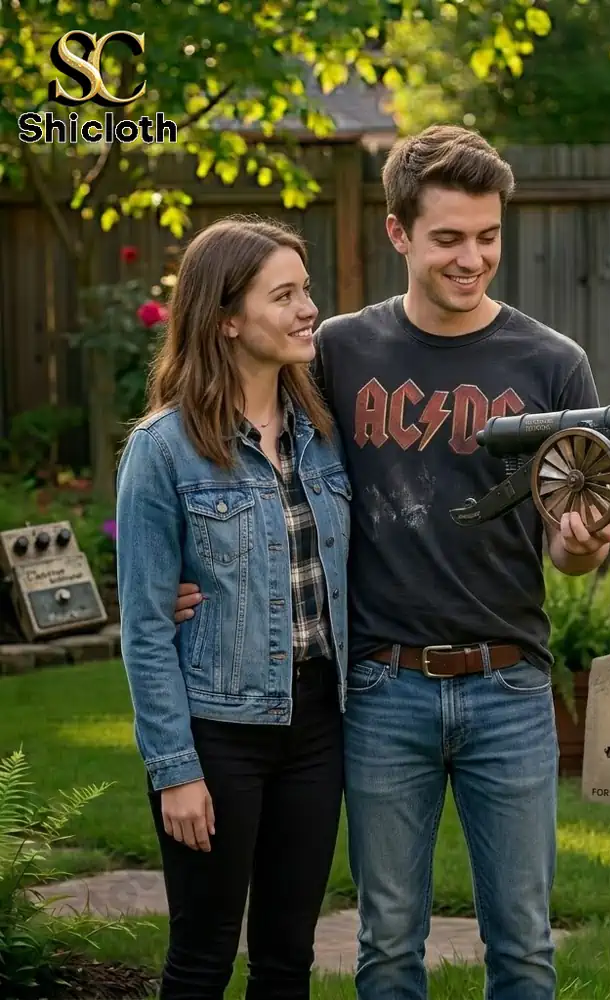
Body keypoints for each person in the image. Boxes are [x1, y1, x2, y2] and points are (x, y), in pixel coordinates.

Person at [173, 126, 610, 1000]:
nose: (473, 258)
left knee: (526, 946)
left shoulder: (553, 363)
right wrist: (202, 581)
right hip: (381, 688)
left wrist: (579, 543)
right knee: (386, 944)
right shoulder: (337, 353)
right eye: (449, 237)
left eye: (488, 236)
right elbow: (231, 440)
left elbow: (576, 537)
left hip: (511, 686)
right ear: (398, 233)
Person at [116, 215, 351, 1000]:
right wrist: (175, 769)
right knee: (203, 956)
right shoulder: (164, 449)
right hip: (219, 733)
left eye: (305, 291)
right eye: (283, 295)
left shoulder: (324, 433)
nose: (307, 309)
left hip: (319, 726)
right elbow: (147, 630)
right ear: (226, 319)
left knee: (288, 957)